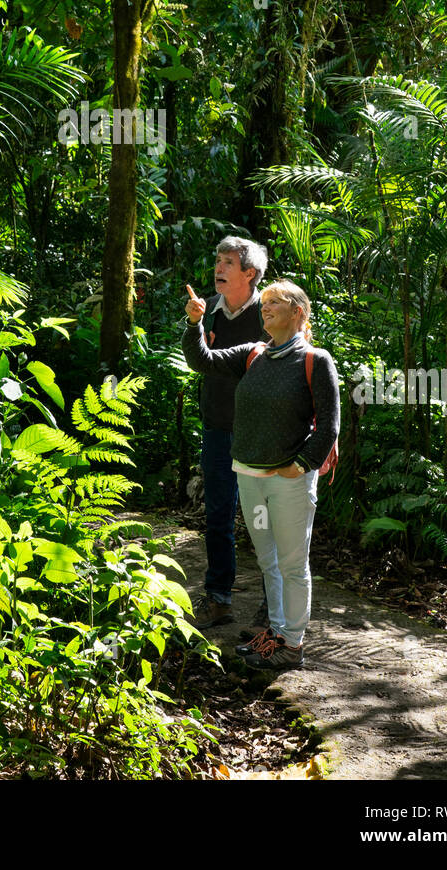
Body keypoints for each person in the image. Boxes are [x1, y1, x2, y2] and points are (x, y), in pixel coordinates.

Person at [182, 278, 340, 669]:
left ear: (297, 312)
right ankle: (276, 632)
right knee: (268, 559)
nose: (264, 308)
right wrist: (195, 324)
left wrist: (300, 465)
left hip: (288, 482)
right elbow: (202, 360)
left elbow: (330, 426)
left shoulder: (315, 361)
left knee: (291, 561)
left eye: (274, 303)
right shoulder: (254, 354)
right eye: (263, 303)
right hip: (250, 478)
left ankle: (292, 644)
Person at [186, 236, 269, 630]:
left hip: (259, 434)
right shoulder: (210, 311)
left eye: (227, 262)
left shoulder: (271, 313)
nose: (218, 268)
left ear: (249, 273)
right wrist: (196, 323)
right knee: (218, 516)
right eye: (217, 260)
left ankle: (274, 606)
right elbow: (198, 362)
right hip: (218, 427)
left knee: (263, 520)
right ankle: (218, 599)